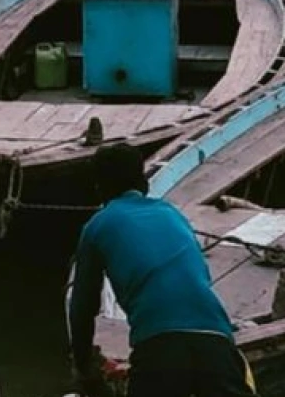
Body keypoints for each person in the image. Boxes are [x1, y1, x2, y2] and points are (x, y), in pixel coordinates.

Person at [67, 144, 255, 397]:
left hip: (159, 346)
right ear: (143, 181)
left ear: (99, 187)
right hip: (217, 341)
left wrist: (82, 367)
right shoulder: (172, 215)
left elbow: (82, 309)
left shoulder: (97, 226)